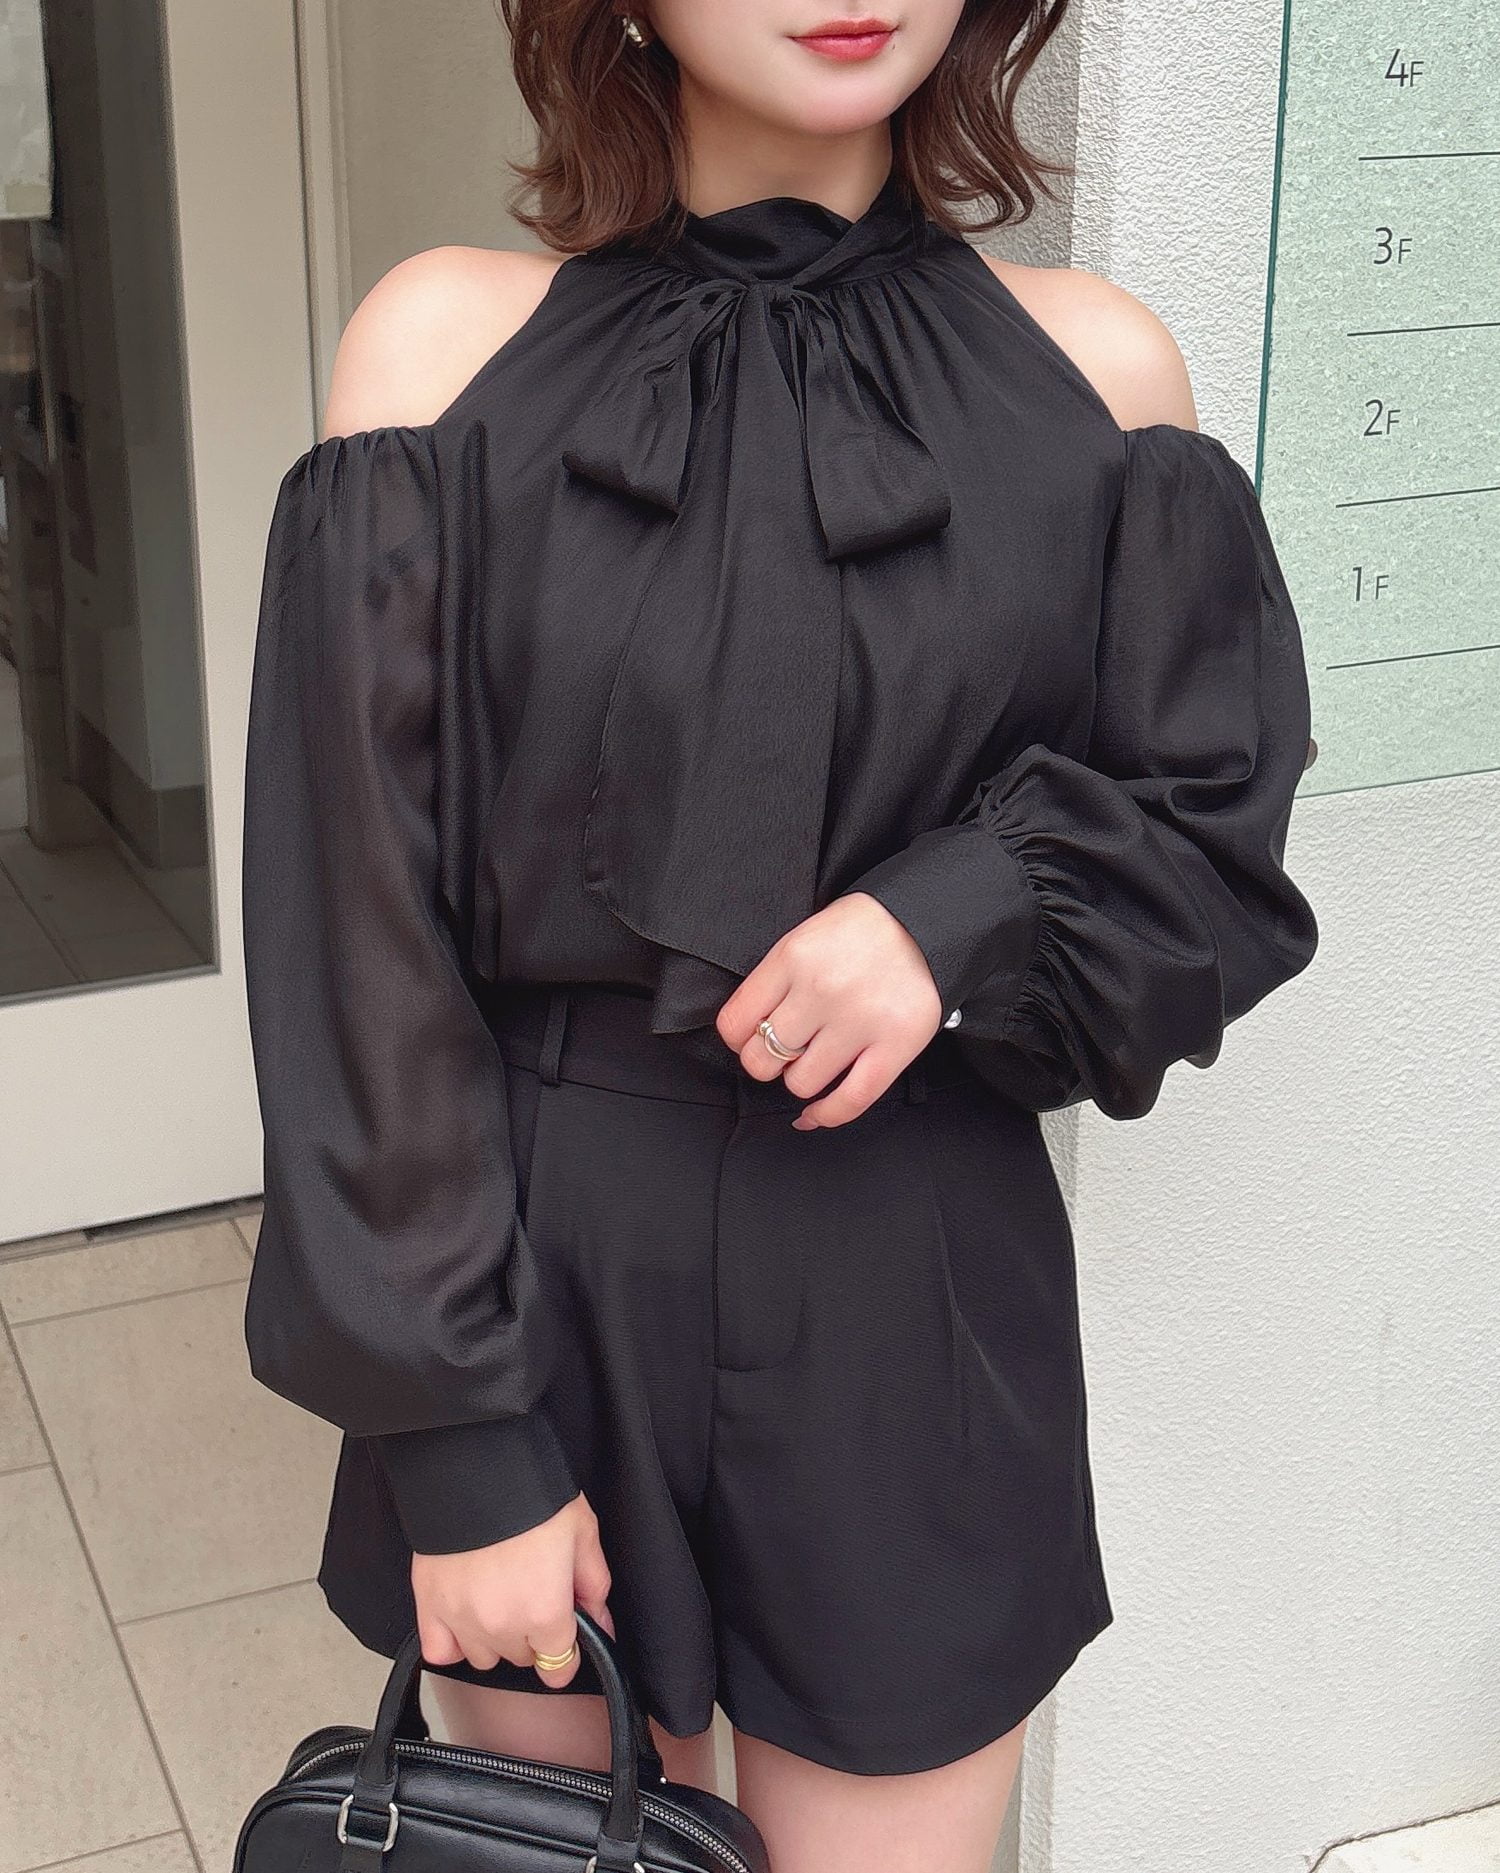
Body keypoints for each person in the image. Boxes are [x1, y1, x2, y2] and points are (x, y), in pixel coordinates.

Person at [239, 2, 1320, 1867]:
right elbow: (353, 940)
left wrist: (956, 912)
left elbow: (1212, 827)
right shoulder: (440, 351)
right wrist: (460, 1439)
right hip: (533, 1269)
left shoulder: (1098, 374)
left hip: (914, 1269)